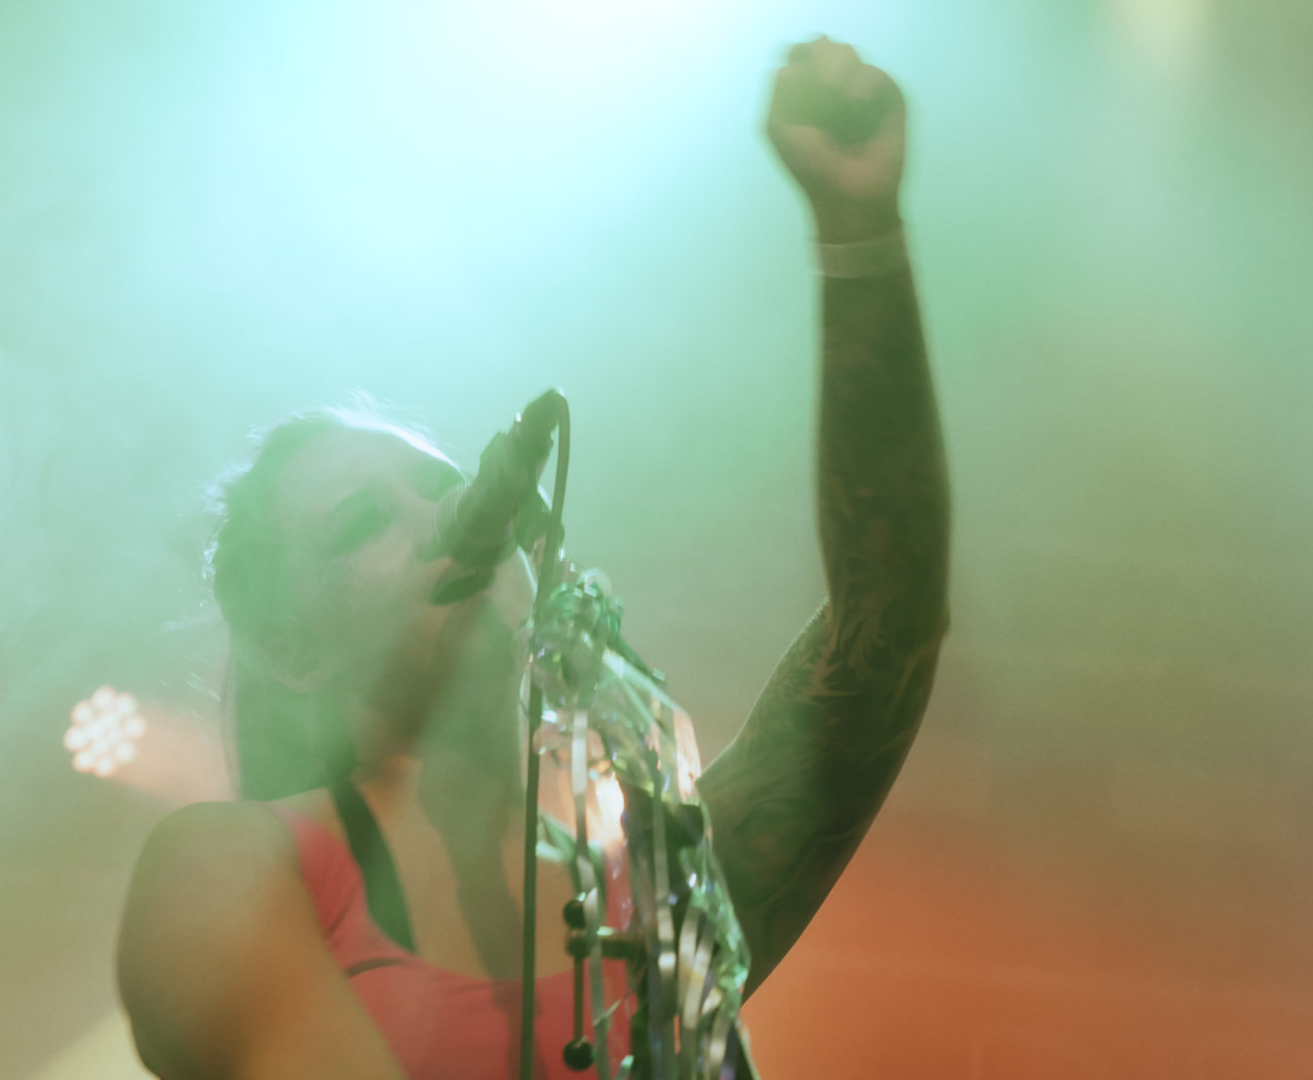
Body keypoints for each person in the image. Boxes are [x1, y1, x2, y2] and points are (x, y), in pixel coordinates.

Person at [116, 34, 951, 1080]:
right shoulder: (232, 867)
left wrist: (860, 236)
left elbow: (886, 629)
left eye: (442, 486)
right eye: (364, 524)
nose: (445, 516)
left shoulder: (659, 894)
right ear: (290, 649)